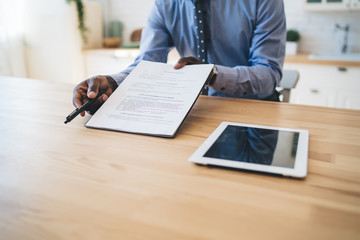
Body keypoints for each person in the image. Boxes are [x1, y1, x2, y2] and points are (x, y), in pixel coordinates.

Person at [73, 0, 286, 116]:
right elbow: (148, 63)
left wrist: (212, 74)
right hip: (198, 113)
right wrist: (113, 82)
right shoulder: (165, 5)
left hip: (255, 112)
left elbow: (269, 74)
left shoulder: (264, 2)